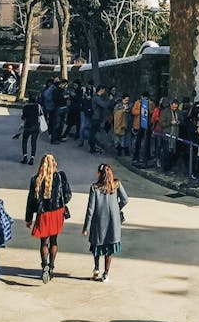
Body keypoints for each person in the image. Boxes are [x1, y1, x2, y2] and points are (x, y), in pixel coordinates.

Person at [25, 153, 71, 283]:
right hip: (57, 212)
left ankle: (44, 264)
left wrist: (29, 218)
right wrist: (62, 203)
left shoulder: (36, 179)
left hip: (43, 213)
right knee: (54, 240)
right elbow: (68, 195)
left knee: (43, 242)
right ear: (54, 163)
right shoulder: (60, 177)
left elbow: (31, 201)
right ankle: (51, 267)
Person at [82, 163, 128, 282]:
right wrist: (117, 208)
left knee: (97, 244)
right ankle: (106, 273)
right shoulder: (116, 184)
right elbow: (125, 199)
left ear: (99, 174)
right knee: (110, 246)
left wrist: (86, 227)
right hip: (113, 221)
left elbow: (90, 209)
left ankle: (96, 268)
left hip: (99, 220)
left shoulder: (95, 188)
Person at [131, 92, 154, 165]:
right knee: (138, 141)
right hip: (138, 124)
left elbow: (152, 112)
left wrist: (147, 111)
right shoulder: (137, 102)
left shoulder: (150, 103)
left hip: (147, 125)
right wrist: (141, 111)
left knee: (147, 142)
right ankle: (136, 156)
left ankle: (146, 156)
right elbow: (133, 111)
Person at [20, 94, 42, 164]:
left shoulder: (26, 107)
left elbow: (23, 117)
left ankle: (25, 157)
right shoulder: (38, 106)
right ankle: (32, 158)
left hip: (28, 126)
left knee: (24, 141)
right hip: (36, 126)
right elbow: (41, 115)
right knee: (33, 142)